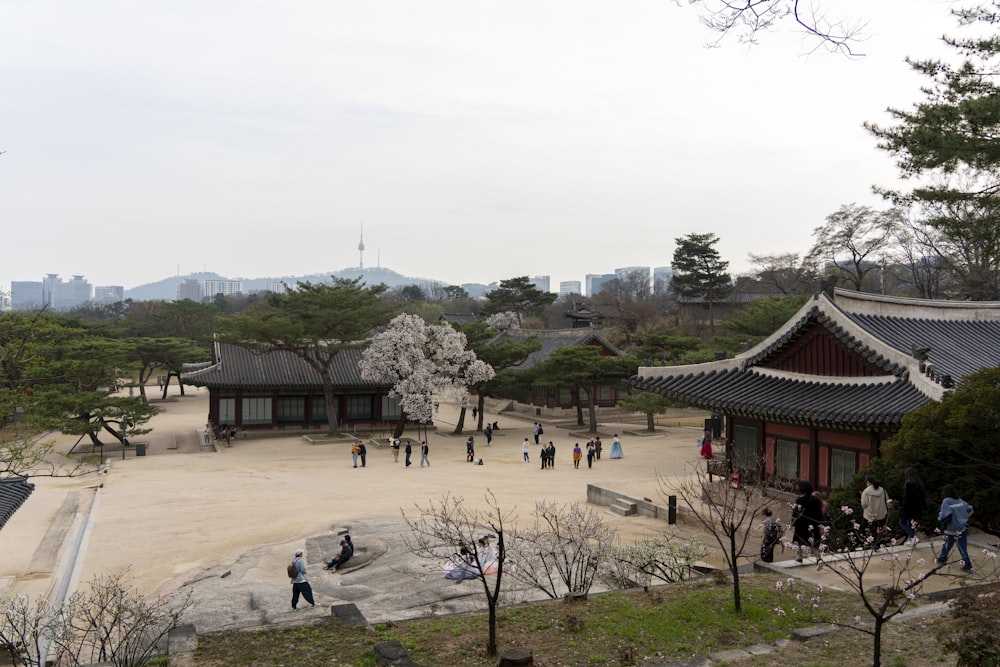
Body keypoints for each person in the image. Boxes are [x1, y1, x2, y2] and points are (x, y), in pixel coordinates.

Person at [937, 484, 974, 571]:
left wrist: (940, 519)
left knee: (946, 545)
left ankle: (942, 558)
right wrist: (965, 518)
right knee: (962, 547)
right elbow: (971, 510)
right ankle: (967, 564)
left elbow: (946, 515)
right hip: (962, 528)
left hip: (951, 529)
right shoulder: (960, 501)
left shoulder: (946, 501)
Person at [791, 480, 824, 562]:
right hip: (813, 523)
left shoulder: (799, 500)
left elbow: (795, 513)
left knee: (799, 541)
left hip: (801, 524)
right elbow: (819, 513)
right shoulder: (815, 499)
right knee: (815, 541)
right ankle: (818, 558)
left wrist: (793, 521)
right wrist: (820, 523)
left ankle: (799, 557)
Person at [860, 474, 889, 548]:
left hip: (870, 516)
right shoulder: (882, 490)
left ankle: (865, 540)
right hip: (882, 515)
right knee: (878, 529)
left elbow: (864, 505)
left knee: (864, 527)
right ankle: (877, 542)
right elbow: (887, 501)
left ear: (868, 482)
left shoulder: (866, 492)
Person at [899, 467, 925, 546]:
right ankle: (911, 539)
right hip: (916, 508)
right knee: (910, 523)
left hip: (908, 508)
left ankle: (913, 537)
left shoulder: (908, 484)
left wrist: (902, 506)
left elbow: (907, 498)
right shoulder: (919, 484)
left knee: (902, 522)